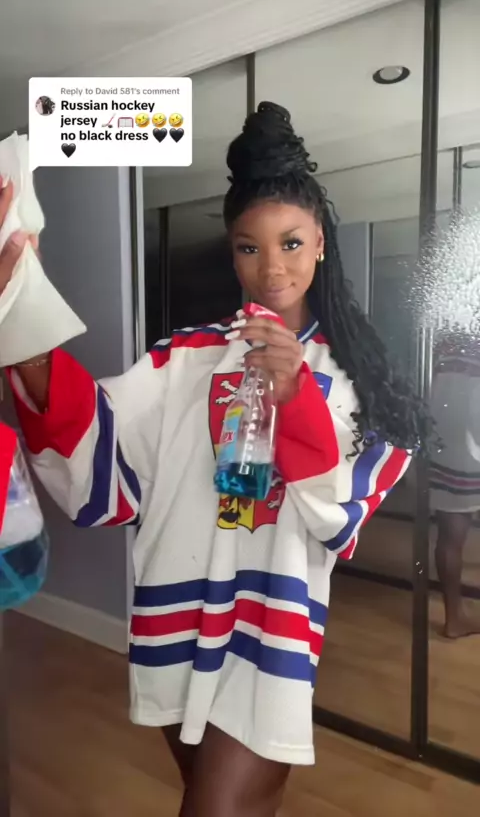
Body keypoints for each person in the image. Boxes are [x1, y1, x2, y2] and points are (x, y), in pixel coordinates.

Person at [0, 103, 430, 817]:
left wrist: (295, 396)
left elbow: (339, 512)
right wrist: (23, 314)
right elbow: (98, 445)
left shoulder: (350, 376)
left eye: (291, 243)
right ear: (232, 254)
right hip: (178, 618)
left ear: (321, 243)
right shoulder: (186, 359)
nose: (272, 268)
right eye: (248, 247)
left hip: (270, 626)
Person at [430, 328, 480, 638]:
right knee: (453, 535)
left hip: (444, 445)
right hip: (469, 447)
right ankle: (455, 619)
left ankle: (454, 616)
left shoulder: (447, 339)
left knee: (450, 535)